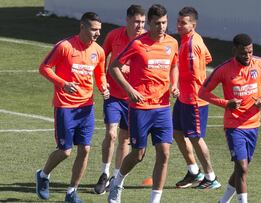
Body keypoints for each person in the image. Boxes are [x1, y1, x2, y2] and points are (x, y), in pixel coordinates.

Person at [107, 4, 179, 203]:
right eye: (157, 23)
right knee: (139, 154)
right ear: (150, 23)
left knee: (164, 153)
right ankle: (118, 180)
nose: (161, 27)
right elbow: (114, 67)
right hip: (141, 108)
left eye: (164, 22)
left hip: (163, 108)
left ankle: (155, 200)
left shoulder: (172, 43)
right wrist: (130, 90)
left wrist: (174, 85)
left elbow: (174, 66)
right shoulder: (138, 44)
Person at [35, 12, 109, 203]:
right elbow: (44, 68)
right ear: (82, 27)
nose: (97, 33)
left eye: (99, 30)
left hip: (86, 108)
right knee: (65, 151)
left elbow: (100, 74)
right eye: (93, 29)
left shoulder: (98, 51)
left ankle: (71, 192)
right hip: (65, 106)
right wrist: (63, 83)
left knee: (85, 149)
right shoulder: (65, 46)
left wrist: (103, 88)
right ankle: (43, 175)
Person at [199, 33, 261, 203]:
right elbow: (202, 92)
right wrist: (226, 103)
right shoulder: (224, 69)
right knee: (242, 167)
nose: (247, 56)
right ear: (235, 51)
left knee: (242, 168)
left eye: (250, 52)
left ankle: (223, 201)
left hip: (254, 124)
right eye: (243, 53)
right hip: (234, 126)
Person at [93, 4, 146, 195]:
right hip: (113, 95)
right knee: (111, 134)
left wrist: (129, 70)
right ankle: (104, 173)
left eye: (142, 22)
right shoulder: (114, 35)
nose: (140, 26)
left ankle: (116, 177)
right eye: (136, 22)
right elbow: (101, 58)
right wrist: (103, 81)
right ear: (128, 20)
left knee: (125, 139)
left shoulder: (147, 40)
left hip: (134, 97)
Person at [173, 6, 220, 189]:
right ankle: (194, 171)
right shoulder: (191, 39)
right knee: (177, 132)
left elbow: (193, 75)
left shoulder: (193, 44)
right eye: (178, 22)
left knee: (195, 137)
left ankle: (211, 177)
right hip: (184, 97)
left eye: (183, 23)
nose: (178, 25)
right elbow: (208, 58)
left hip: (194, 99)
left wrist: (176, 83)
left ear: (193, 25)